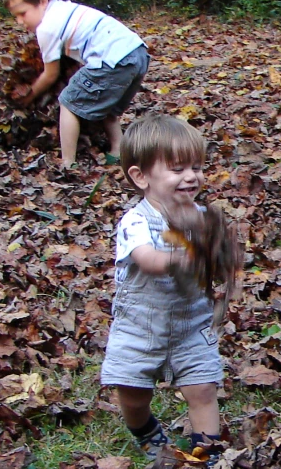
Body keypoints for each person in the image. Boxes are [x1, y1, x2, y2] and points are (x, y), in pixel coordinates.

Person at [101, 115, 223, 460]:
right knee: (133, 395)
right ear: (141, 177)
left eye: (197, 167)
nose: (191, 176)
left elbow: (214, 258)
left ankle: (208, 452)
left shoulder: (201, 216)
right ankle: (145, 430)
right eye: (177, 168)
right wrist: (183, 258)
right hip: (140, 326)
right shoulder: (136, 221)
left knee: (202, 390)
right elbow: (149, 259)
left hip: (192, 323)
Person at [1, 0, 149, 168]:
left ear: (42, 1)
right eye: (15, 16)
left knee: (68, 103)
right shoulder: (65, 8)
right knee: (110, 110)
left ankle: (68, 161)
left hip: (112, 59)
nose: (19, 21)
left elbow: (50, 74)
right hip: (138, 53)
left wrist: (30, 95)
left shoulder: (47, 28)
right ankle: (117, 152)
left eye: (22, 13)